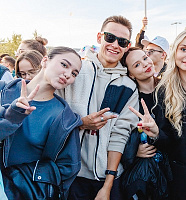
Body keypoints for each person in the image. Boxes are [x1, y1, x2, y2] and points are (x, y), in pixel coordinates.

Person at [57, 15, 139, 200]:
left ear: (127, 46)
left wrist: (107, 186)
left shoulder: (129, 86)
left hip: (105, 179)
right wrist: (81, 123)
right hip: (69, 175)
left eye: (122, 41)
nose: (115, 45)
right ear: (99, 37)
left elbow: (120, 135)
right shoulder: (75, 71)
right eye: (110, 37)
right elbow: (51, 116)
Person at [129, 29, 186, 200]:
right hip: (183, 178)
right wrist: (156, 133)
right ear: (175, 52)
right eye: (184, 49)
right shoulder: (163, 90)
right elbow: (168, 141)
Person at [0, 46, 82, 199]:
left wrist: (26, 184)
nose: (68, 74)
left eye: (74, 73)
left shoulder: (64, 118)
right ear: (45, 60)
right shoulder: (4, 91)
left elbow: (67, 168)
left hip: (21, 192)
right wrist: (12, 116)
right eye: (64, 65)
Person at [121, 47, 172, 200]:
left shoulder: (169, 89)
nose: (145, 64)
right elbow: (117, 136)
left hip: (172, 171)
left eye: (145, 57)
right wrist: (133, 152)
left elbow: (179, 135)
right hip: (145, 177)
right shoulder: (129, 100)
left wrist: (157, 134)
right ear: (130, 73)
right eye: (136, 65)